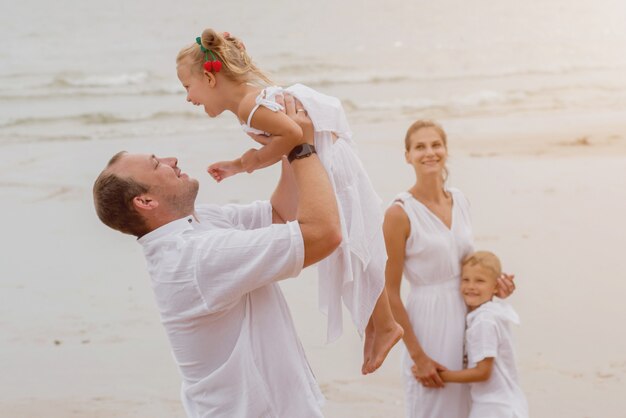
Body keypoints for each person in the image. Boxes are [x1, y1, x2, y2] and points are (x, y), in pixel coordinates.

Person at [92, 97, 341, 417]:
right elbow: (323, 233)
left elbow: (279, 214)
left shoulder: (200, 225)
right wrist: (302, 149)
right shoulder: (193, 258)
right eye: (157, 164)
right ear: (145, 201)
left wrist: (285, 141)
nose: (172, 160)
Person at [176, 28, 402, 374]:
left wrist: (246, 162)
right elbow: (285, 140)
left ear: (208, 78)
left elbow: (294, 135)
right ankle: (375, 324)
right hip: (323, 159)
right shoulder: (248, 103)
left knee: (353, 245)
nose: (188, 98)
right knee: (350, 248)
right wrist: (244, 165)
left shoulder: (250, 107)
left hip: (329, 163)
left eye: (187, 87)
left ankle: (385, 325)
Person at [383, 120, 516, 418]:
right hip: (428, 321)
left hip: (471, 317)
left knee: (473, 406)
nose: (429, 152)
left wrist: (495, 285)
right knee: (433, 406)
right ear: (407, 156)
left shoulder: (461, 200)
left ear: (445, 150)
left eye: (435, 145)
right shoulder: (399, 213)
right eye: (420, 147)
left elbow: (469, 263)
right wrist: (419, 355)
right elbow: (389, 292)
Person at [434, 251, 529, 418]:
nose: (471, 286)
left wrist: (441, 376)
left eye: (480, 281)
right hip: (506, 402)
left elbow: (483, 372)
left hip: (494, 407)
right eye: (465, 280)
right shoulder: (494, 312)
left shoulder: (484, 321)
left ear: (495, 287)